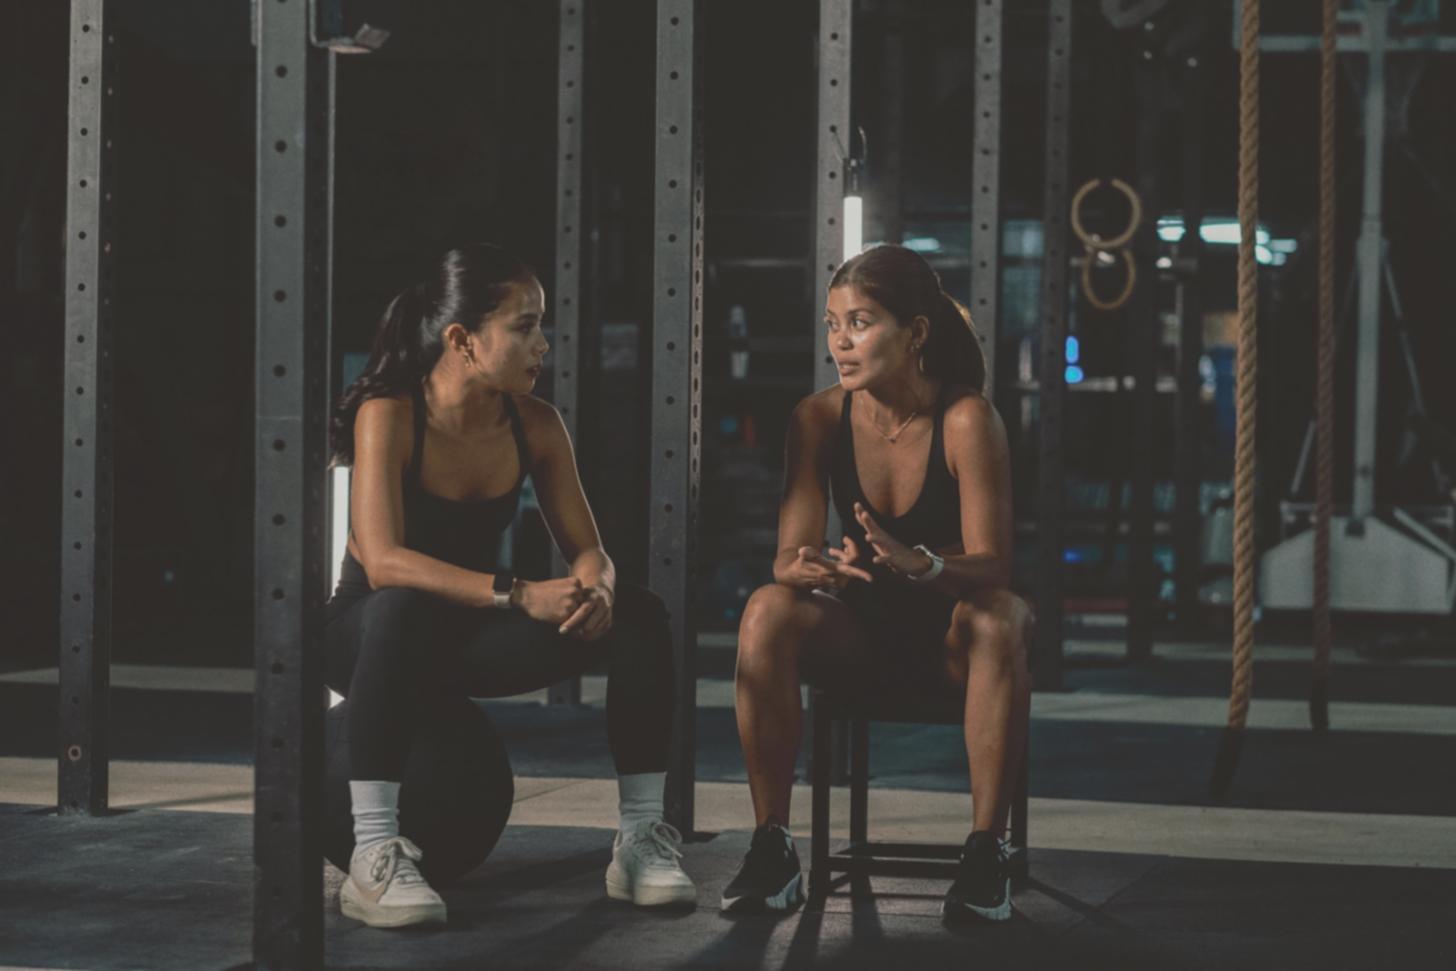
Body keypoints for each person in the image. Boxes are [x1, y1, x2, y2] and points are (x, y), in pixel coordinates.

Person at [326, 244, 695, 928]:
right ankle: (372, 852)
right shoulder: (390, 413)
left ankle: (640, 838)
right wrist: (522, 592)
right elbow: (384, 561)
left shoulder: (537, 425)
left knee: (640, 614)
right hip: (368, 633)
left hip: (463, 636)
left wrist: (597, 590)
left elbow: (589, 548)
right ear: (463, 340)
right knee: (400, 604)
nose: (542, 344)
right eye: (524, 326)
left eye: (541, 325)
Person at [724, 245, 1032, 922]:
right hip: (860, 633)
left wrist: (925, 564)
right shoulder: (817, 417)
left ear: (915, 333)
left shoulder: (966, 419)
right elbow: (786, 556)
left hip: (955, 640)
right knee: (765, 610)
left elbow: (995, 564)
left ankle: (986, 852)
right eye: (833, 323)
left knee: (1002, 615)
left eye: (860, 322)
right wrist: (807, 567)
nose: (841, 340)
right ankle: (773, 847)